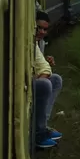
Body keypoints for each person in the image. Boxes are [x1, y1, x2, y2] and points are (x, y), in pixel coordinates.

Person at [34, 11, 63, 149]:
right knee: (45, 84)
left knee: (56, 79)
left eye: (45, 29)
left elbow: (43, 66)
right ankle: (38, 134)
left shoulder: (39, 43)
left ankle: (42, 127)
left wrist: (44, 63)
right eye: (38, 27)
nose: (42, 32)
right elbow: (44, 69)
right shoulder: (29, 41)